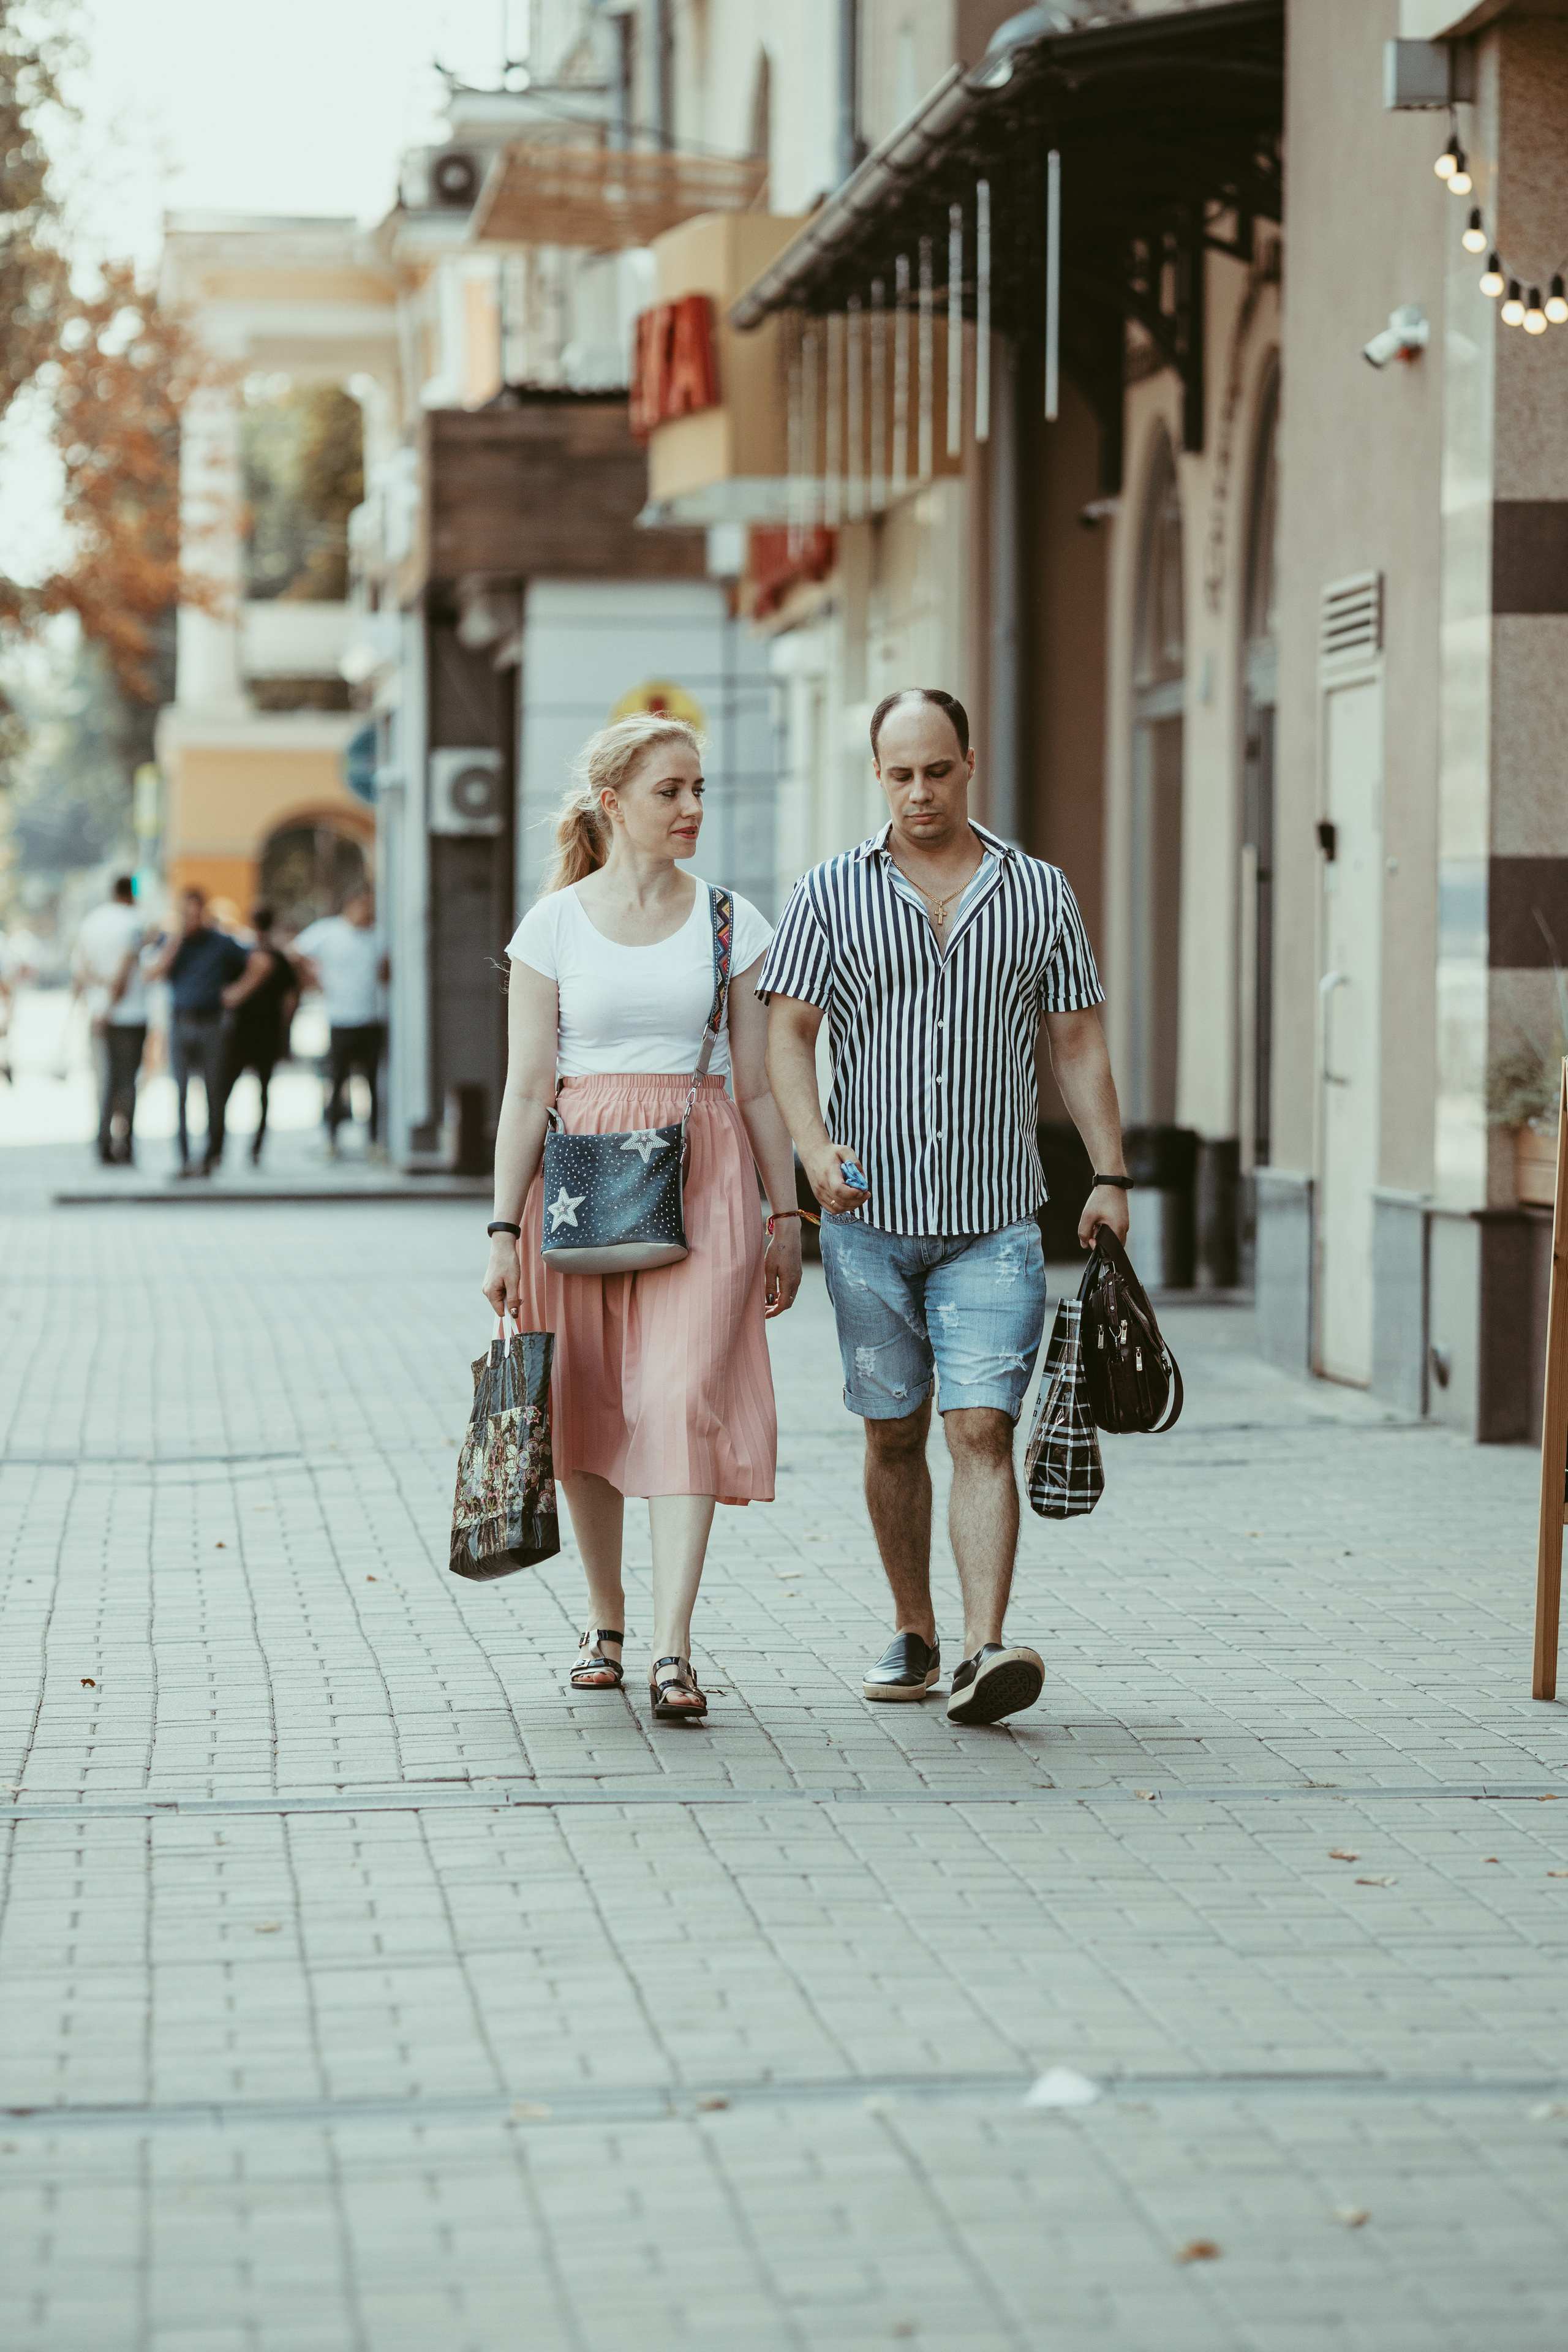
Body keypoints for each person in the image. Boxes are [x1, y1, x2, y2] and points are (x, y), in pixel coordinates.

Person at [761, 687, 1131, 1728]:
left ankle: (984, 1649)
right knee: (892, 1436)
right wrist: (809, 1148)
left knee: (979, 1426)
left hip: (996, 1219)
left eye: (936, 769)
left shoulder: (1039, 891)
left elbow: (1077, 1041)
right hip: (867, 1220)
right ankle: (915, 1629)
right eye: (898, 774)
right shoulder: (832, 893)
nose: (919, 792)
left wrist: (1110, 1172)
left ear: (970, 763)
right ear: (877, 776)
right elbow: (788, 1033)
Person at [482, 712, 802, 1721]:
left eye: (699, 789)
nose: (693, 809)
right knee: (589, 1409)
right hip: (576, 1184)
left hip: (704, 1179)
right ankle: (606, 1620)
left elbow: (757, 1088)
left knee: (680, 1400)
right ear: (613, 803)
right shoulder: (556, 925)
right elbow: (527, 1088)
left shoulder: (730, 923)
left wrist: (784, 1213)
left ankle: (673, 1649)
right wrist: (501, 1227)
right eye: (671, 791)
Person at [145, 886, 248, 1177]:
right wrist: (176, 941)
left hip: (212, 1023)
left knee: (214, 1093)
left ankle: (212, 1156)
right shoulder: (170, 942)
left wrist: (238, 992)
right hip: (181, 1023)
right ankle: (184, 1158)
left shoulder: (221, 942)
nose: (192, 918)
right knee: (180, 1094)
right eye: (186, 913)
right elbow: (152, 974)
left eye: (196, 912)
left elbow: (259, 962)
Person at [292, 885, 387, 1159]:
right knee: (337, 1081)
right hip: (341, 1018)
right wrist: (313, 978)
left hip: (371, 1018)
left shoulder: (377, 936)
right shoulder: (329, 932)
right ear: (352, 905)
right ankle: (332, 1139)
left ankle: (372, 1140)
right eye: (366, 905)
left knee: (371, 1083)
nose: (369, 911)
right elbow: (296, 952)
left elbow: (386, 969)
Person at [70, 876, 150, 1164]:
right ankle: (125, 1144)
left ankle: (103, 1143)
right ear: (130, 894)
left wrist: (97, 1003)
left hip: (97, 1014)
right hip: (128, 1015)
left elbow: (80, 969)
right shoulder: (134, 921)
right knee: (127, 1082)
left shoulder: (91, 922)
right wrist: (112, 1003)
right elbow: (126, 970)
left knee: (105, 1081)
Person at [214, 906, 299, 1167]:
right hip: (267, 1031)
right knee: (262, 1091)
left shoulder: (246, 956)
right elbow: (291, 999)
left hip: (244, 1031)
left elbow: (228, 993)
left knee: (226, 1090)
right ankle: (255, 1148)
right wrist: (285, 1028)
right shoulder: (279, 957)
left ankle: (218, 1147)